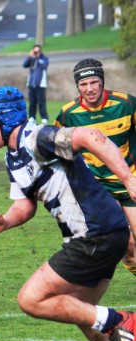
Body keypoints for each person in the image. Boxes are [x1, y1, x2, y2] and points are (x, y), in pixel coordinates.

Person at [0, 85, 136, 341]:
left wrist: (129, 179)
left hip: (94, 235)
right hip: (105, 234)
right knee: (80, 310)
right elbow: (26, 204)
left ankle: (126, 322)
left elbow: (92, 138)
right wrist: (6, 220)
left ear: (5, 118)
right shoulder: (13, 156)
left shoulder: (38, 137)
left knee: (31, 299)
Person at [54, 59, 136, 276]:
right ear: (77, 86)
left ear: (102, 81)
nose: (89, 89)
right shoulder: (67, 114)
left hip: (130, 182)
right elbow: (56, 149)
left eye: (93, 82)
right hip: (98, 189)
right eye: (83, 84)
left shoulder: (126, 104)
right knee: (127, 246)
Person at [22, 44, 49, 124]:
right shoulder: (31, 58)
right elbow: (24, 65)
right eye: (35, 51)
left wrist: (37, 58)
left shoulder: (44, 58)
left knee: (41, 102)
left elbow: (44, 65)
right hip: (31, 84)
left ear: (40, 51)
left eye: (38, 51)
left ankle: (44, 117)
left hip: (41, 84)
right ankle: (32, 117)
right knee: (32, 102)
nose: (36, 52)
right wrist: (30, 56)